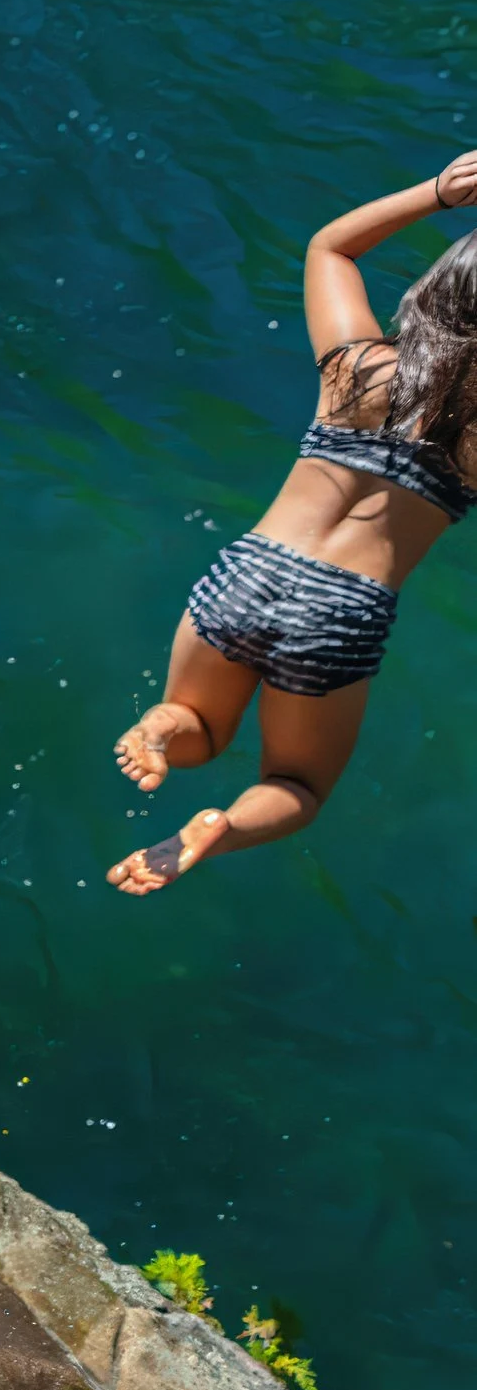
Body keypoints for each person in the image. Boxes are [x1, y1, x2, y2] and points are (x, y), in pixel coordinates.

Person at [109, 153, 477, 892]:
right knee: (297, 785)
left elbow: (329, 247)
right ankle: (221, 828)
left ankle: (158, 730)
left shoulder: (356, 367)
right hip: (346, 606)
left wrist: (436, 192)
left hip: (254, 567)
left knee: (197, 722)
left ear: (440, 291)